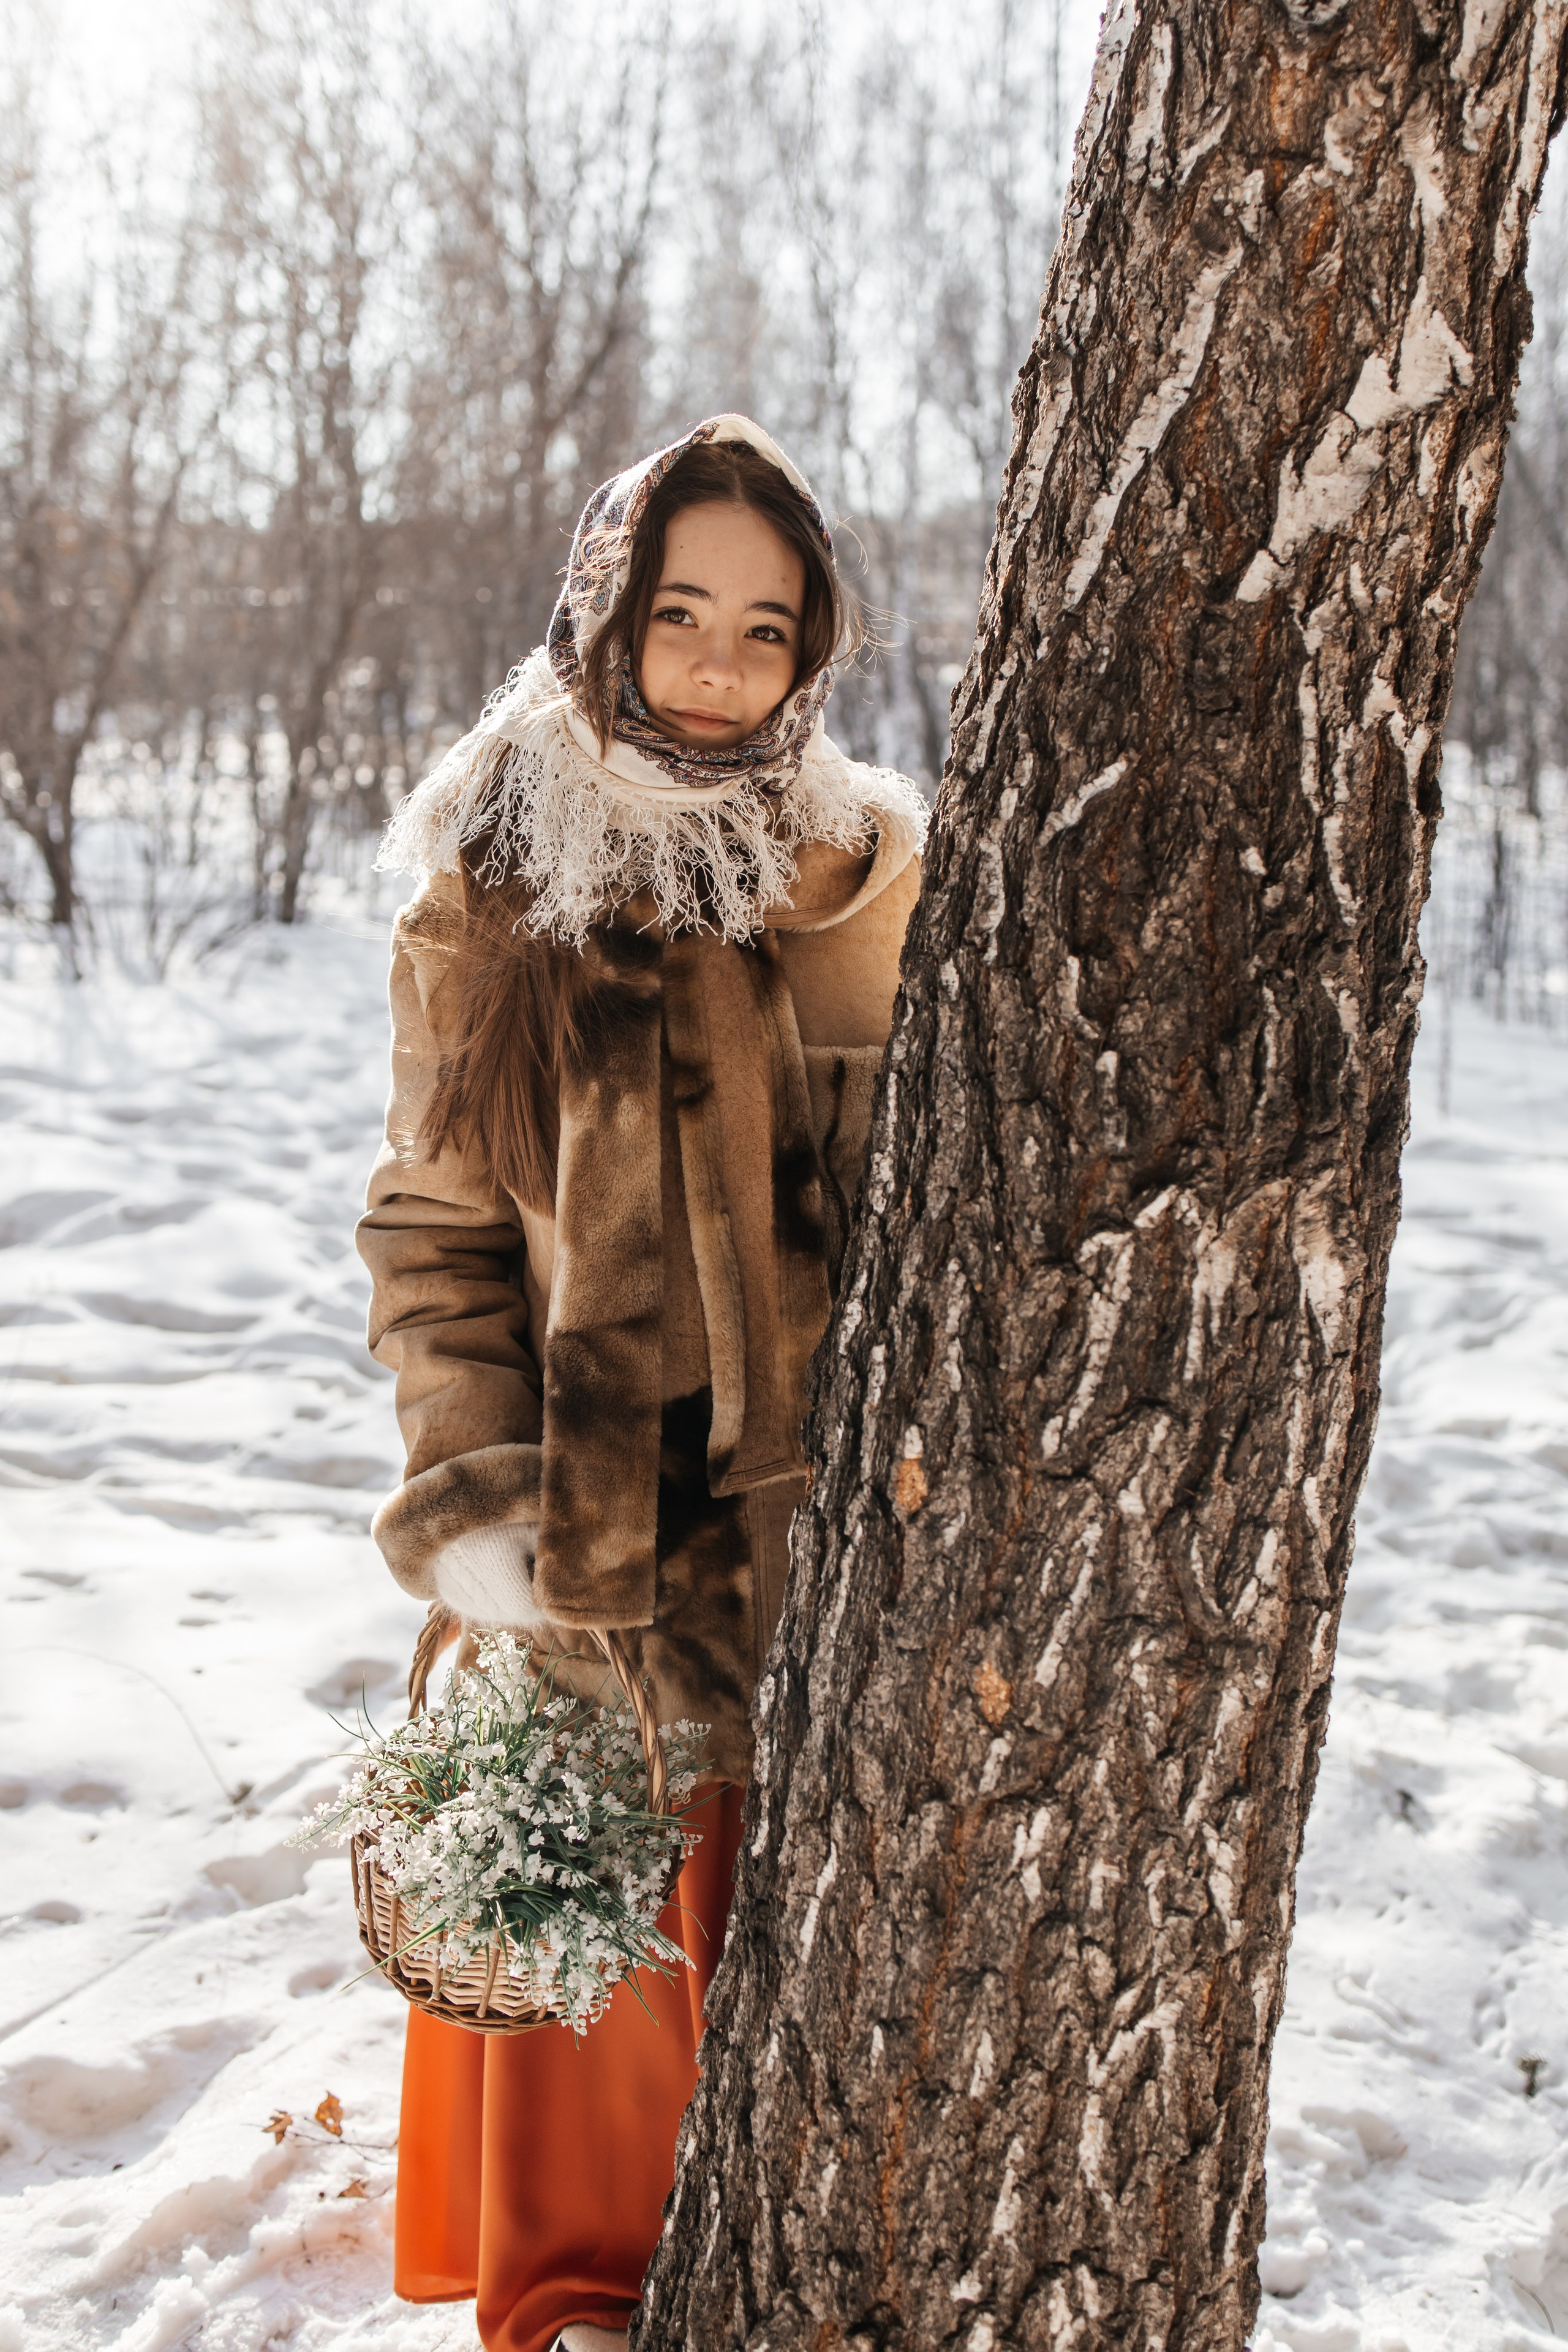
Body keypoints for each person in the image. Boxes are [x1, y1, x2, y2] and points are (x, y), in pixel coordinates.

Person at [357, 415, 926, 2352]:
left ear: (811, 653)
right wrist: (481, 1497)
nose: (713, 664)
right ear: (605, 607)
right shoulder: (494, 870)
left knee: (777, 1954)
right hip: (590, 1545)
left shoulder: (851, 877)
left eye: (765, 631)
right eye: (679, 612)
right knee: (600, 1960)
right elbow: (431, 1231)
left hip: (807, 1539)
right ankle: (587, 2299)